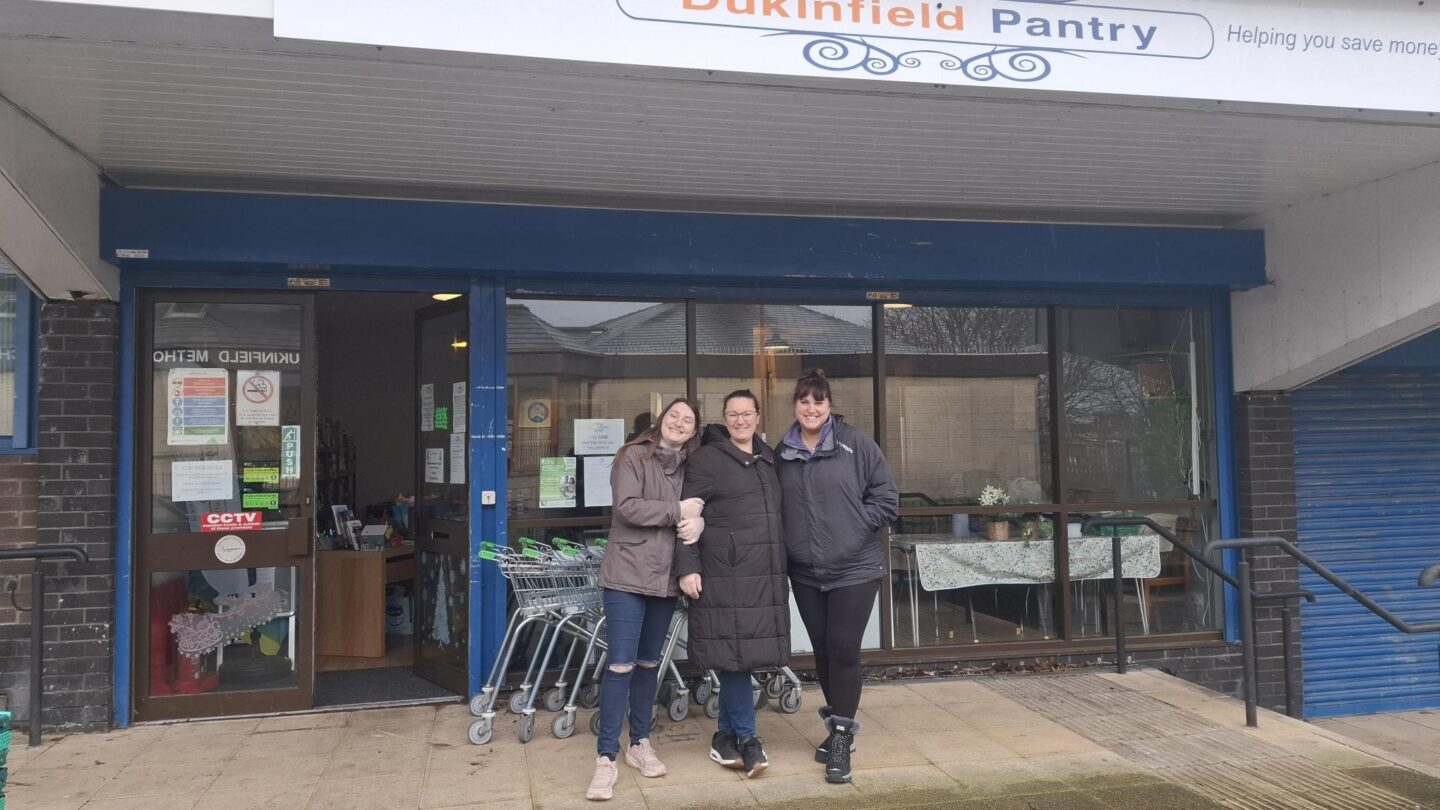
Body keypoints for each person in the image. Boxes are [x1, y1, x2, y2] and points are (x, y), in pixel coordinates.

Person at [775, 369, 898, 785]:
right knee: (824, 652)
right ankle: (839, 726)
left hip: (855, 568)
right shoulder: (783, 452)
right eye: (804, 401)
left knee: (845, 649)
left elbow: (886, 498)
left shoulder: (856, 444)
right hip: (807, 572)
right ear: (795, 405)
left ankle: (842, 739)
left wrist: (853, 529)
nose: (811, 408)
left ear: (829, 406)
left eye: (819, 401)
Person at [587, 398, 705, 802]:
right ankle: (606, 757)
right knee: (620, 664)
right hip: (625, 576)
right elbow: (628, 508)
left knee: (648, 664)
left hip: (665, 580)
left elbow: (704, 506)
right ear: (661, 421)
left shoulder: (692, 467)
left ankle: (639, 743)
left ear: (693, 431)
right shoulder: (632, 456)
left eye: (687, 420)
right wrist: (677, 510)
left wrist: (700, 517)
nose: (679, 423)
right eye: (674, 415)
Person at [674, 389, 789, 779]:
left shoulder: (770, 460)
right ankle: (749, 738)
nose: (740, 420)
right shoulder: (706, 460)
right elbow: (685, 521)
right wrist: (687, 569)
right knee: (737, 658)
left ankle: (724, 737)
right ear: (724, 419)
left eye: (746, 413)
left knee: (736, 656)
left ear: (758, 416)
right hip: (724, 574)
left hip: (763, 574)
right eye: (732, 414)